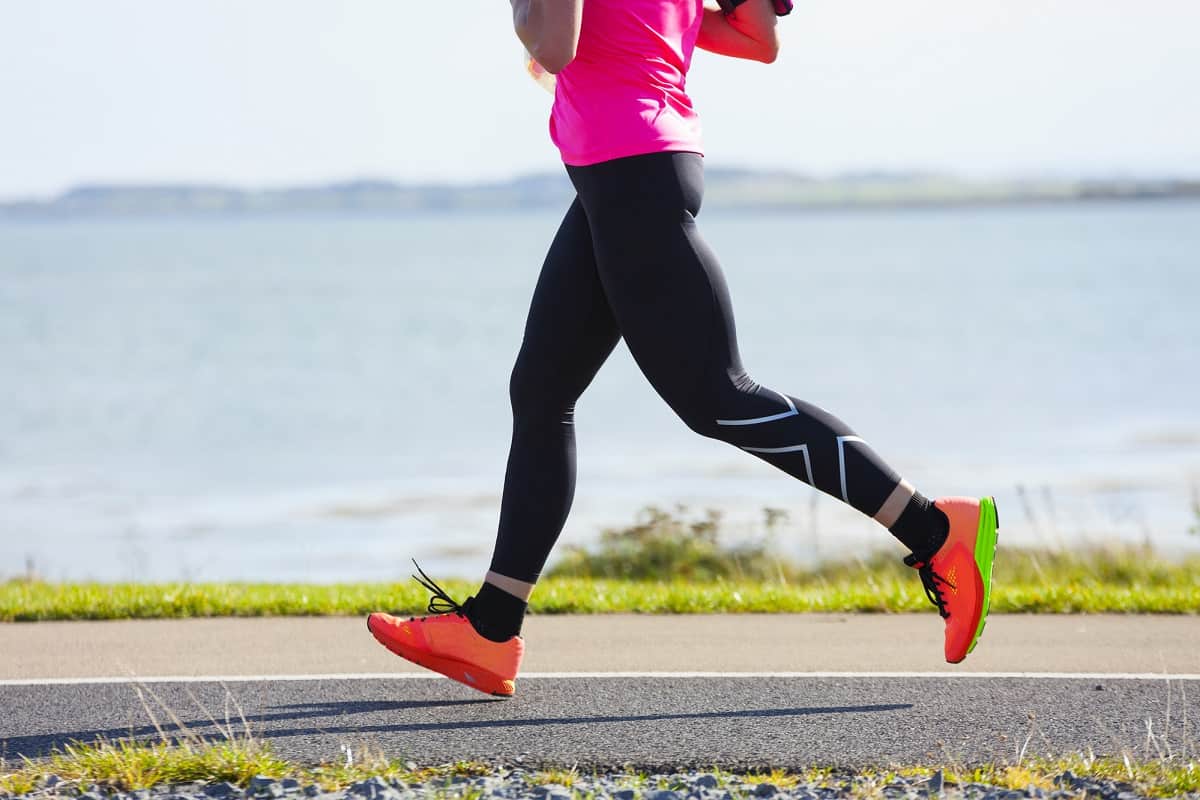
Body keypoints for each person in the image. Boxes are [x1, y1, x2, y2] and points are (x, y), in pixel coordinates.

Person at [367, 0, 999, 697]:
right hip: (628, 172)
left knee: (718, 396)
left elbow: (554, 47)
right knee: (542, 393)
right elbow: (758, 39)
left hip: (630, 170)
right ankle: (491, 627)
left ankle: (936, 530)